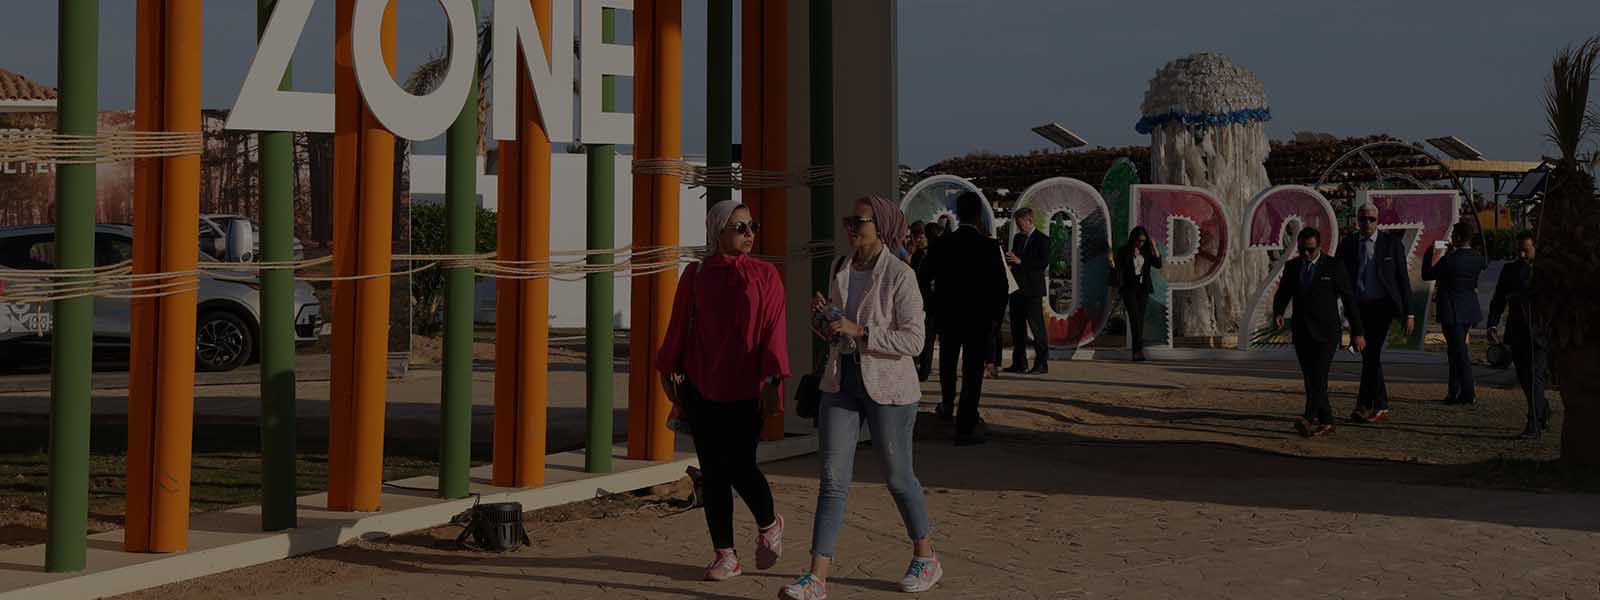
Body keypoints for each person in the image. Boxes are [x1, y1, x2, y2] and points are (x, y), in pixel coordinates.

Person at [782, 196, 939, 599]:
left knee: (897, 477)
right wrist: (826, 321)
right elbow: (839, 331)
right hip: (840, 382)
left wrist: (861, 330)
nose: (851, 227)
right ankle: (816, 576)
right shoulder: (841, 267)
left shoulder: (901, 275)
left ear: (881, 224)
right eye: (848, 219)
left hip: (890, 389)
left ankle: (926, 555)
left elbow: (915, 341)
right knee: (832, 480)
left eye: (860, 220)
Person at [655, 200, 789, 582]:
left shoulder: (765, 275)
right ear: (718, 231)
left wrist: (773, 379)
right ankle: (725, 554)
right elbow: (679, 322)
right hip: (701, 384)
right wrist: (667, 368)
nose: (749, 234)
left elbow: (773, 331)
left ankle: (768, 523)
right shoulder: (695, 274)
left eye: (752, 226)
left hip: (747, 387)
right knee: (713, 473)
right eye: (740, 227)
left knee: (742, 467)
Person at [922, 192, 1010, 445]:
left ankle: (947, 404)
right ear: (979, 214)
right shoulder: (989, 246)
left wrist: (934, 305)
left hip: (949, 315)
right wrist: (994, 317)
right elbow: (1001, 286)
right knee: (973, 371)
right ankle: (966, 423)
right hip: (979, 318)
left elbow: (922, 278)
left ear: (957, 214)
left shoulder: (941, 244)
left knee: (948, 362)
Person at [1273, 227, 1366, 438]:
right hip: (1302, 330)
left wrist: (1357, 332)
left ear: (1319, 247)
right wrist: (1278, 312)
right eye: (1302, 249)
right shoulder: (1292, 267)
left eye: (1310, 250)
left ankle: (1308, 417)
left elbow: (1350, 301)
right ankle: (1327, 421)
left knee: (1319, 376)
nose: (1306, 254)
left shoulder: (1334, 266)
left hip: (1327, 332)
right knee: (1310, 378)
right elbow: (1283, 293)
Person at [1336, 203, 1415, 424]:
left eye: (1371, 219)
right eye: (1362, 219)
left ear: (1378, 220)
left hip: (1382, 307)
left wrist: (1409, 313)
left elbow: (1402, 280)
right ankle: (1375, 404)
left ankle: (1368, 405)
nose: (1367, 223)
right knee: (1369, 357)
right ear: (1356, 220)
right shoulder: (1348, 244)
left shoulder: (1391, 244)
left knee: (1371, 354)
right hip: (1358, 307)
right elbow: (1340, 278)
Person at [1487, 231, 1548, 438]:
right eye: (1519, 250)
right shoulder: (1509, 270)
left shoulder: (1545, 271)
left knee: (1535, 377)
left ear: (1536, 248)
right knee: (1524, 378)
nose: (1521, 255)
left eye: (1526, 250)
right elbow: (1498, 299)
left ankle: (1534, 424)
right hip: (1516, 332)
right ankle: (1542, 408)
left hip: (1540, 334)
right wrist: (1492, 324)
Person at [1423, 222, 1488, 406]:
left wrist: (1430, 253)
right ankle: (1454, 391)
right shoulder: (1477, 259)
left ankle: (1467, 392)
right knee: (1455, 351)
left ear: (1458, 237)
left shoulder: (1449, 260)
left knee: (1459, 353)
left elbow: (1427, 274)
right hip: (1469, 309)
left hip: (1452, 310)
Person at [1005, 208, 1051, 374]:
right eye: (1017, 225)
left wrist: (1021, 261)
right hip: (1017, 288)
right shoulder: (1018, 238)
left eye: (1021, 224)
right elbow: (1014, 259)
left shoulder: (1042, 239)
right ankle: (1019, 362)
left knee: (1036, 327)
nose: (1019, 228)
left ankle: (1041, 362)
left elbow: (1042, 262)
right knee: (1017, 328)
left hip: (1032, 290)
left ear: (1030, 221)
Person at [1113, 226, 1163, 362]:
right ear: (1133, 239)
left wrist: (1154, 247)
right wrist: (1131, 256)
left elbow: (1158, 264)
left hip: (1143, 289)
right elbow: (1118, 266)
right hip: (1129, 289)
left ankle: (1138, 350)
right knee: (1135, 319)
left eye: (1143, 241)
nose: (1140, 243)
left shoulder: (1146, 251)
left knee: (1140, 320)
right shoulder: (1124, 251)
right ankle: (1137, 351)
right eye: (1138, 241)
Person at [912, 221, 942, 382]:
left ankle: (926, 370)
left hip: (931, 301)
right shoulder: (919, 255)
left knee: (930, 337)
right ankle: (927, 370)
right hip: (931, 302)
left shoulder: (928, 254)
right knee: (931, 337)